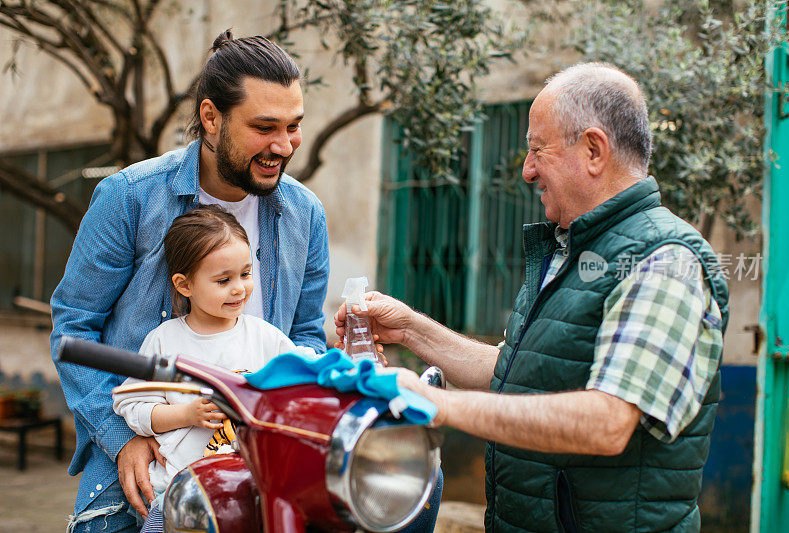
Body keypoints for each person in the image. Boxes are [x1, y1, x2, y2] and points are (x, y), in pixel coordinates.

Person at [335, 63, 729, 532]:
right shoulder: (571, 251)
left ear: (594, 150)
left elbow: (608, 421)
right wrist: (409, 329)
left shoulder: (666, 261)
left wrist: (431, 401)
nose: (526, 170)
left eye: (536, 150)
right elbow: (515, 374)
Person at [52, 31, 329, 532]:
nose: (283, 146)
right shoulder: (129, 198)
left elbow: (307, 334)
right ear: (210, 118)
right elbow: (73, 331)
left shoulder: (304, 214)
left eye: (293, 127)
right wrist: (124, 438)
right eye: (264, 127)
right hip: (147, 453)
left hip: (262, 457)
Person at [113, 205, 316, 532]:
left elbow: (301, 376)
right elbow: (131, 404)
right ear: (184, 285)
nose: (239, 288)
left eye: (246, 274)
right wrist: (186, 415)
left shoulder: (263, 336)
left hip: (250, 487)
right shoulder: (164, 341)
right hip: (179, 490)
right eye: (224, 280)